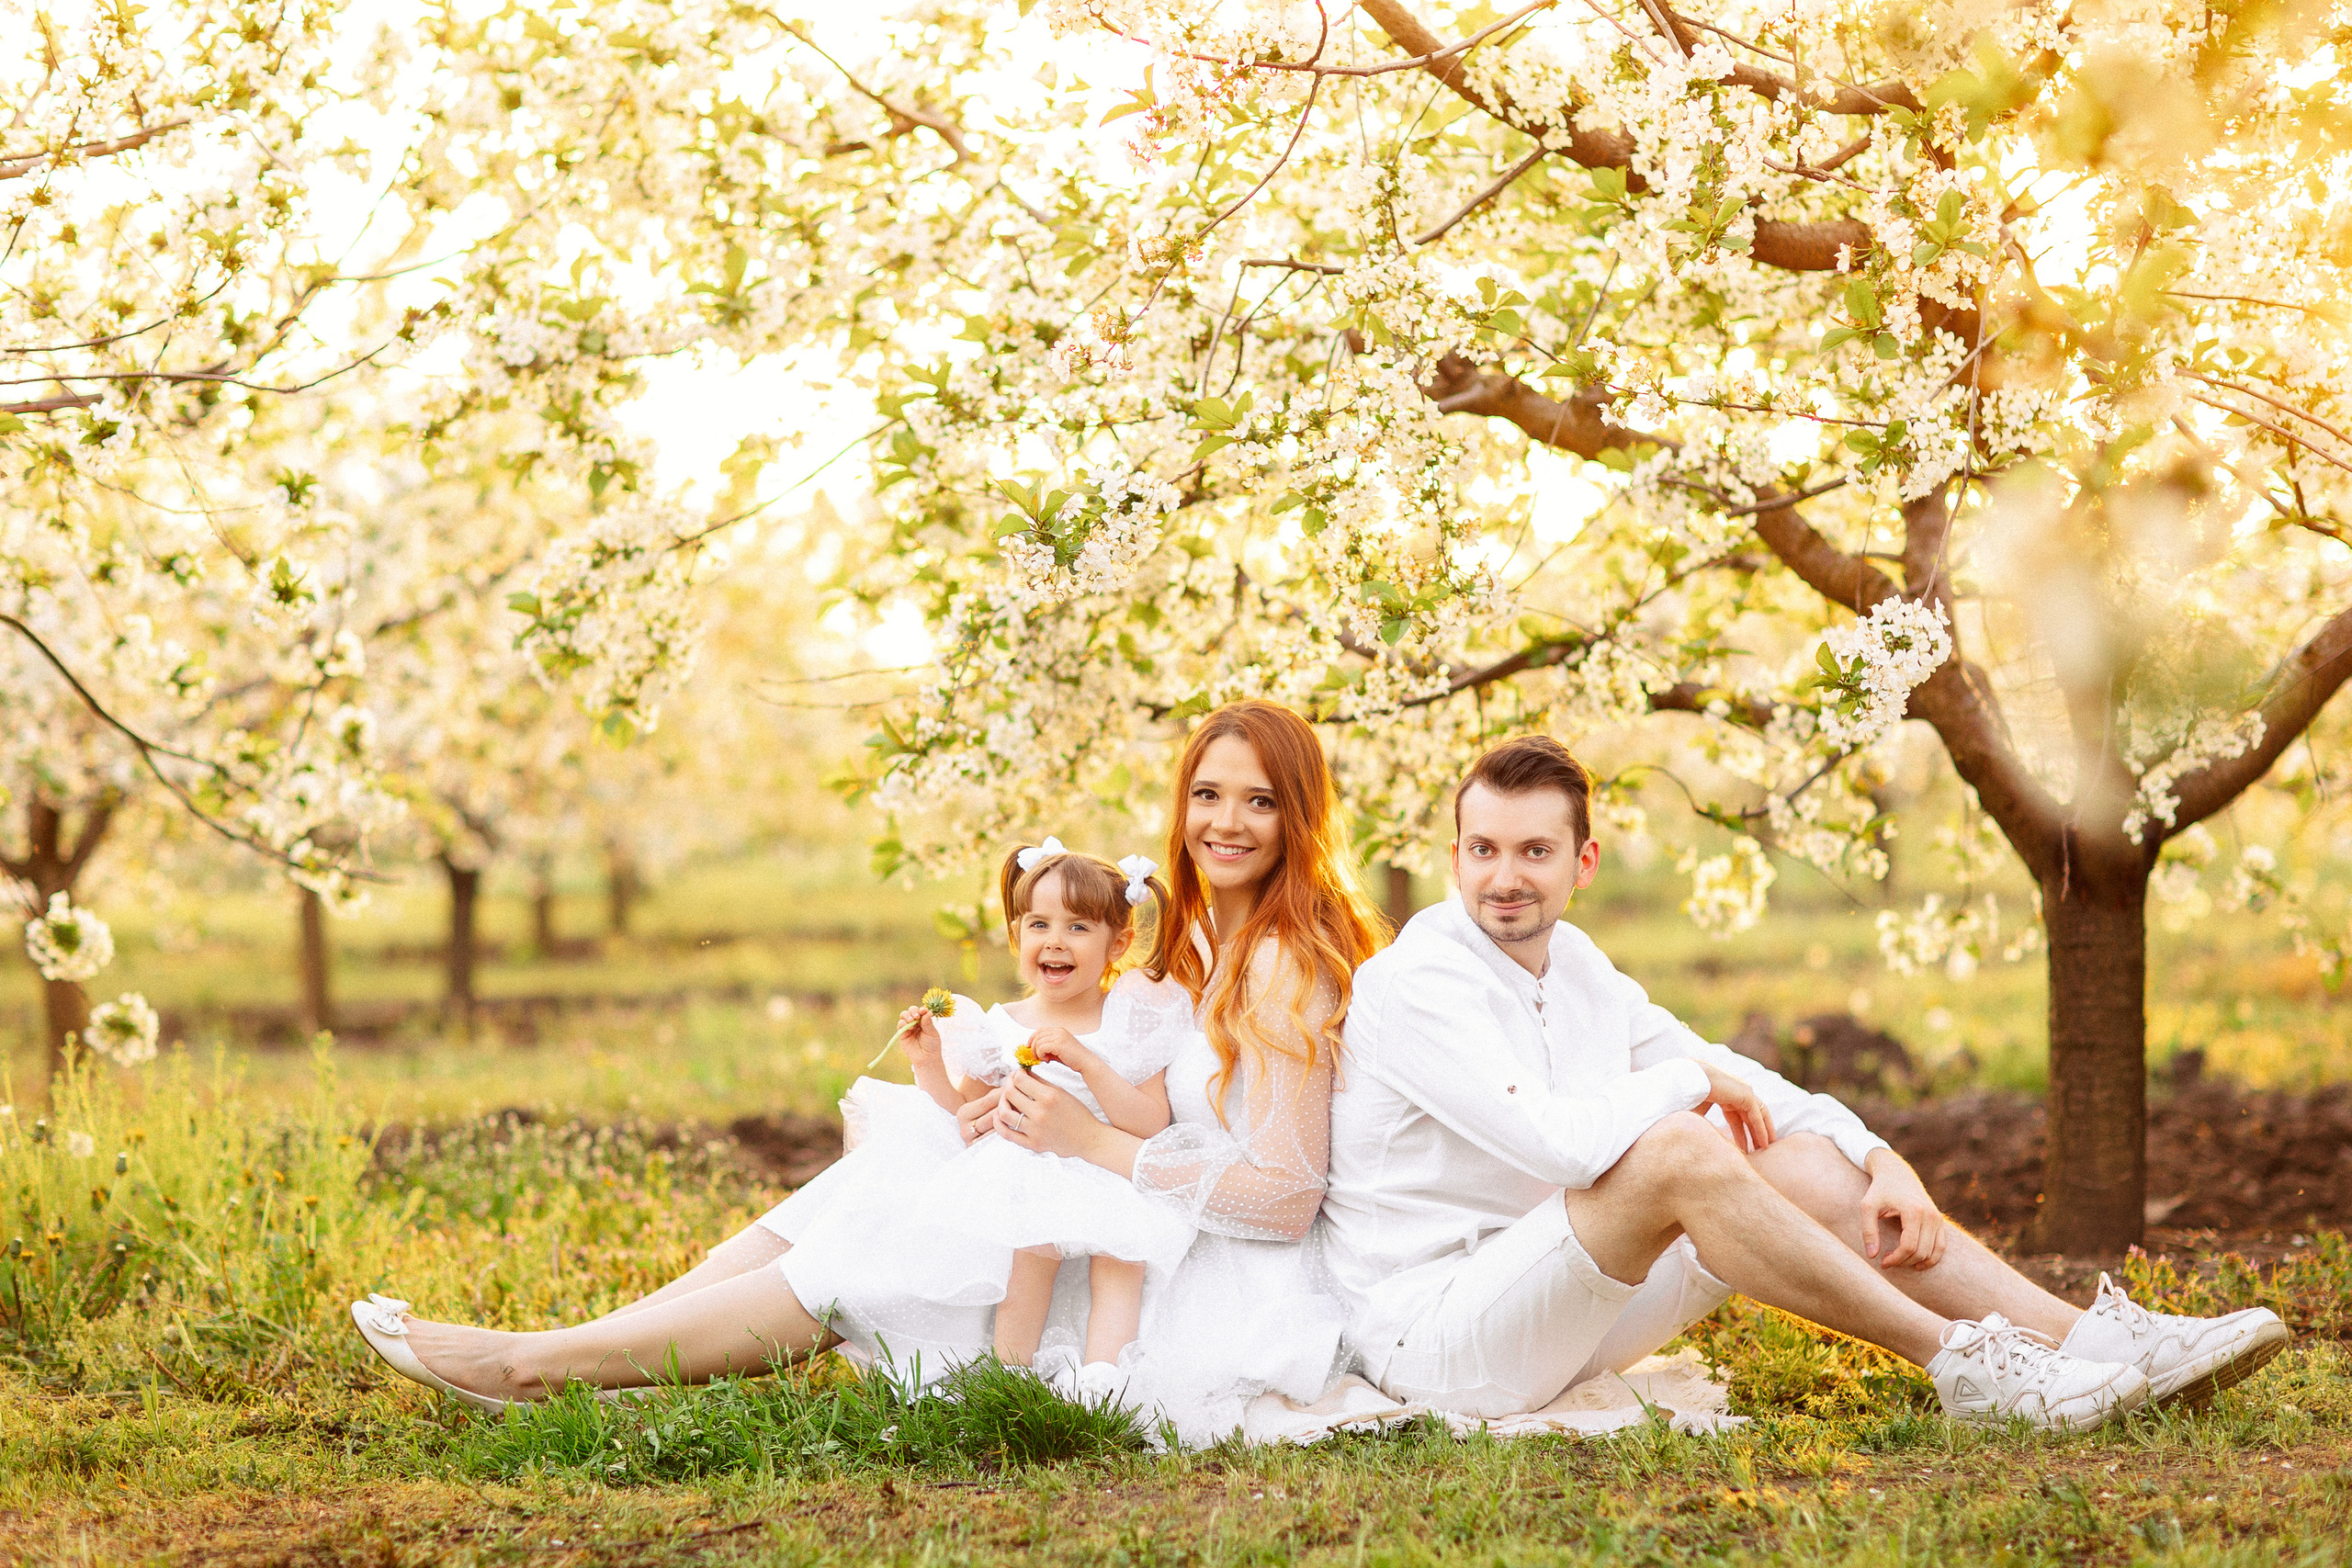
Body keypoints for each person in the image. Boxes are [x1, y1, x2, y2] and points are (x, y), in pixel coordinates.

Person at [348, 699, 1385, 1439]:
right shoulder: (1205, 949)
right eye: (1207, 794)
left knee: (880, 1236)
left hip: (1192, 1269)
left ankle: (536, 1366)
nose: (1224, 823)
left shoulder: (1289, 966)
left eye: (1256, 803)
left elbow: (1285, 1200)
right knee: (879, 1173)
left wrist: (1088, 1142)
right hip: (1129, 1205)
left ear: (1297, 816)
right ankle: (588, 1352)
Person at [1324, 735, 2290, 1433]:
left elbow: (1741, 1081)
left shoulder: (1573, 965)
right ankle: (1961, 1366)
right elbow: (1562, 1148)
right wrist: (1682, 1079)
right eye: (1483, 851)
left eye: (1533, 852)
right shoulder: (1414, 982)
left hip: (1561, 1310)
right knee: (1676, 1148)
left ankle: (2085, 1341)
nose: (1504, 878)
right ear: (1453, 858)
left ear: (1581, 862)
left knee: (1781, 1155)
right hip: (1438, 1343)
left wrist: (1880, 1157)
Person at [770, 840, 1195, 1405]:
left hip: (1104, 1166)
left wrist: (1087, 1061)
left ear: (1117, 943)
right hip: (1024, 1168)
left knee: (1121, 1258)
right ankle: (1010, 1377)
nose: (1055, 941)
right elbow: (966, 1112)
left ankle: (1105, 1380)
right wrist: (927, 1062)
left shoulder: (1127, 1023)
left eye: (1077, 928)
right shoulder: (1001, 1026)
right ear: (1017, 935)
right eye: (1038, 924)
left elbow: (1148, 1122)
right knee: (1029, 1256)